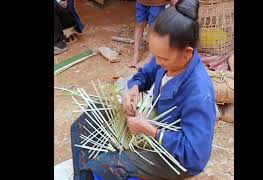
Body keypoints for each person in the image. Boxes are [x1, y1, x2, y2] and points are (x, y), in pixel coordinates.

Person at [70, 0, 216, 179]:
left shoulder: (199, 93)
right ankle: (84, 174)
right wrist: (133, 88)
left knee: (109, 166)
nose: (158, 62)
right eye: (156, 56)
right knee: (89, 118)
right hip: (150, 125)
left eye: (163, 59)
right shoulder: (167, 57)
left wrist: (150, 130)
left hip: (174, 157)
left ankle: (93, 171)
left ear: (187, 53)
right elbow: (144, 75)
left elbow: (194, 155)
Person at [130, 0, 169, 68]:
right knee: (139, 24)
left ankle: (150, 57)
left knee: (153, 28)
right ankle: (135, 54)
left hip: (158, 3)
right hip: (142, 1)